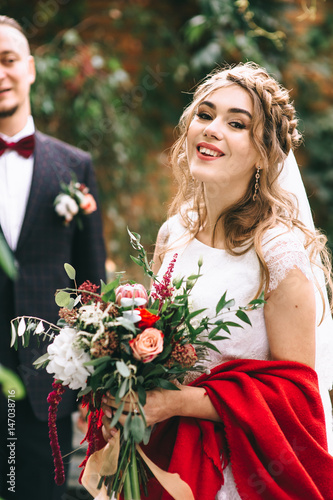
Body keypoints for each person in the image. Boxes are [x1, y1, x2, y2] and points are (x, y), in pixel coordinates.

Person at [101, 62, 333, 499]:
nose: (212, 129)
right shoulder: (175, 230)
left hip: (235, 473)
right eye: (205, 115)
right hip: (163, 456)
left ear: (264, 153)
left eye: (237, 123)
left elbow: (297, 401)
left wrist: (176, 402)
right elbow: (157, 342)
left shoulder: (277, 254)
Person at [0, 16, 106, 500]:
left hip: (46, 384)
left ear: (31, 68)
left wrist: (95, 382)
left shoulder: (74, 166)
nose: (0, 74)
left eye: (8, 61)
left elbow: (91, 283)